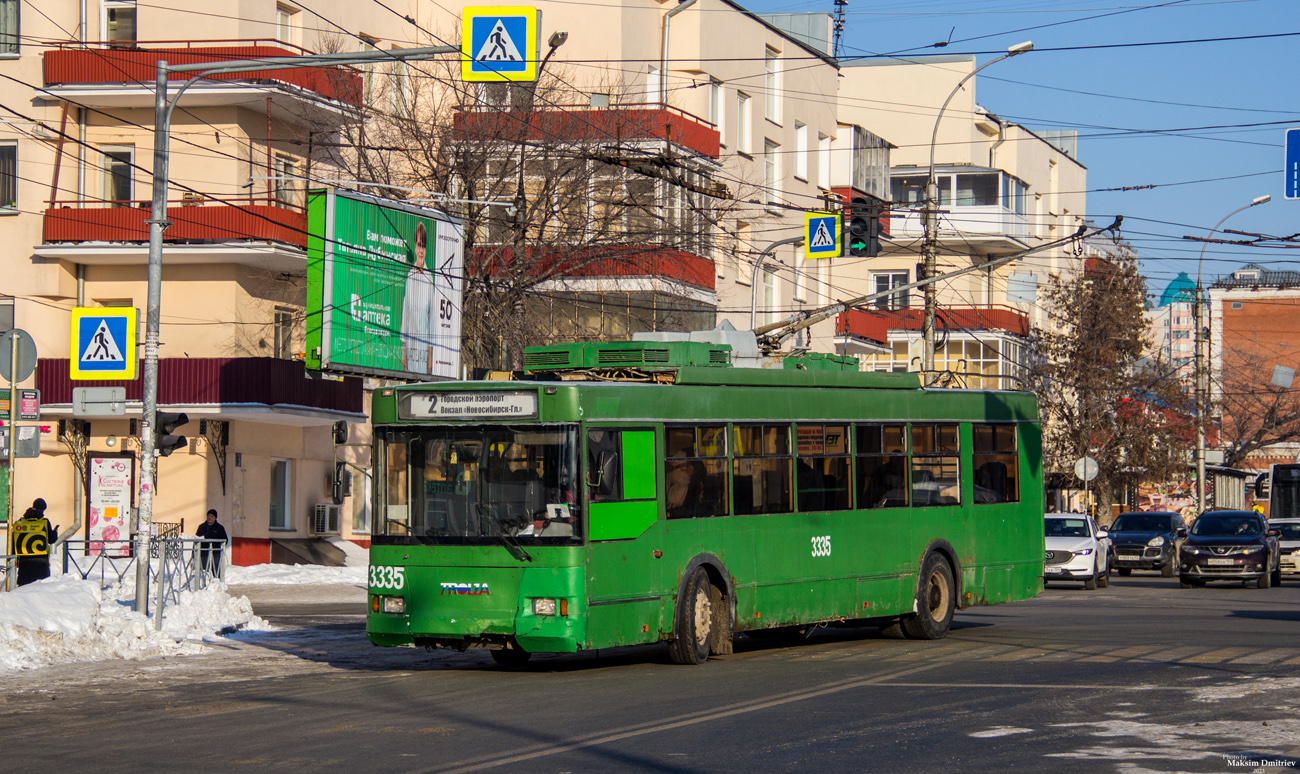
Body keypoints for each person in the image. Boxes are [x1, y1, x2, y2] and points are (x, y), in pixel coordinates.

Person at [399, 222, 436, 376]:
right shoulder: (410, 277)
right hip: (411, 348)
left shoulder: (429, 278)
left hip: (424, 349)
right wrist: (404, 352)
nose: (421, 250)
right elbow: (405, 315)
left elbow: (432, 318)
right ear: (415, 246)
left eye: (424, 246)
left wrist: (430, 357)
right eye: (419, 245)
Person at [15, 498, 55, 587]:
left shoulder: (21, 522)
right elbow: (52, 540)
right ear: (43, 509)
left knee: (23, 593)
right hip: (41, 564)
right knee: (40, 593)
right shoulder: (44, 522)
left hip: (24, 564)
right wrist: (55, 532)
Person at [195, 509, 228, 578]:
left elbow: (225, 540)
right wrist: (194, 554)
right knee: (203, 571)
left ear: (215, 518)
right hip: (203, 553)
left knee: (216, 570)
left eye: (212, 516)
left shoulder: (219, 528)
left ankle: (217, 583)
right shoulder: (201, 527)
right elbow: (196, 540)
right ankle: (202, 584)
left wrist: (218, 546)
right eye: (208, 515)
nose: (210, 517)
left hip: (215, 553)